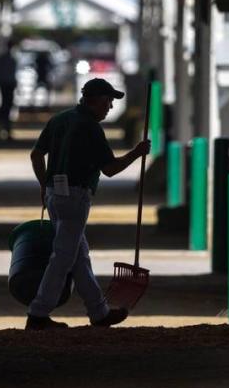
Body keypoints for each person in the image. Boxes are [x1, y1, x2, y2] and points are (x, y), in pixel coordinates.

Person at [26, 78, 151, 330]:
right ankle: (38, 314)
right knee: (62, 257)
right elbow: (111, 169)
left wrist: (44, 184)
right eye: (107, 102)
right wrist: (136, 153)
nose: (110, 108)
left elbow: (36, 154)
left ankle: (99, 312)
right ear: (94, 101)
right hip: (75, 197)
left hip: (54, 195)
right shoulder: (90, 127)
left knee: (79, 257)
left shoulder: (59, 119)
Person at [0, 41, 18, 140]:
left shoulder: (2, 59)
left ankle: (4, 129)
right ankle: (5, 130)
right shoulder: (11, 60)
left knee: (5, 107)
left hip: (4, 85)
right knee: (6, 107)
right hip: (7, 85)